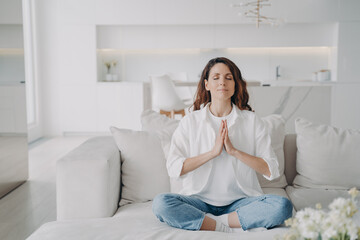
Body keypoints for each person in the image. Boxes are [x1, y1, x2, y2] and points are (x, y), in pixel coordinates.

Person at [152, 57, 293, 233]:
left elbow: (271, 170)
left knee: (283, 206)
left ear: (235, 85)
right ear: (207, 84)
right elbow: (173, 168)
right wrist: (212, 153)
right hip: (198, 201)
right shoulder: (190, 122)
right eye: (216, 77)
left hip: (241, 202)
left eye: (228, 77)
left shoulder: (252, 121)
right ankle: (224, 226)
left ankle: (211, 222)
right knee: (161, 203)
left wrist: (234, 151)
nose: (222, 83)